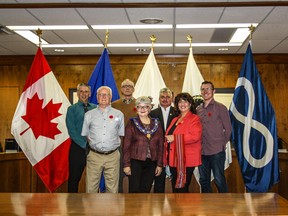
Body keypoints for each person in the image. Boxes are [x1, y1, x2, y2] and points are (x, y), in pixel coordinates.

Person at [81, 86, 125, 193]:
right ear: (96, 97)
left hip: (113, 157)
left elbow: (120, 134)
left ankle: (111, 210)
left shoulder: (119, 114)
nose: (103, 97)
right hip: (94, 156)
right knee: (91, 189)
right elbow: (86, 134)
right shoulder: (88, 115)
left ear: (111, 97)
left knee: (113, 190)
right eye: (100, 94)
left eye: (106, 95)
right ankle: (91, 210)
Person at [197, 81, 232, 193]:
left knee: (219, 179)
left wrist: (222, 143)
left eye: (208, 89)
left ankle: (224, 205)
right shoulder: (198, 109)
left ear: (213, 91)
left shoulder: (221, 108)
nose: (205, 91)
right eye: (203, 89)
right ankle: (207, 206)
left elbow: (228, 129)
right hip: (202, 151)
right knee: (203, 180)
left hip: (216, 151)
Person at [123, 96, 164, 193]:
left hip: (151, 163)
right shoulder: (132, 123)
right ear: (136, 108)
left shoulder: (157, 123)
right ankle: (133, 209)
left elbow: (160, 146)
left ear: (150, 108)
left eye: (145, 106)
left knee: (146, 190)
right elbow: (126, 145)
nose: (142, 109)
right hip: (135, 162)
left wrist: (159, 164)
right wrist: (126, 164)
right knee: (134, 190)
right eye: (139, 107)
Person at [165, 92, 202, 193]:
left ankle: (185, 209)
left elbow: (195, 136)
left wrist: (175, 138)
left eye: (185, 102)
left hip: (186, 159)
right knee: (175, 188)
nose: (182, 104)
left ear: (190, 104)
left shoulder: (194, 118)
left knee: (182, 188)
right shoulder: (175, 119)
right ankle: (176, 209)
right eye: (180, 102)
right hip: (173, 159)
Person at [66, 83, 96, 193]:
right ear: (78, 93)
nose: (84, 94)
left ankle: (92, 204)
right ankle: (71, 204)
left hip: (94, 148)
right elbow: (72, 130)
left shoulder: (95, 108)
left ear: (90, 94)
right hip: (78, 147)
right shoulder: (72, 109)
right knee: (74, 178)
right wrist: (84, 144)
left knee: (94, 179)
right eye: (81, 91)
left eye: (86, 91)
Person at [150, 87, 177, 193]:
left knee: (175, 179)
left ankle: (177, 205)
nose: (165, 99)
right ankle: (158, 205)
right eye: (162, 97)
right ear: (159, 98)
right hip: (158, 151)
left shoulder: (178, 112)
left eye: (168, 97)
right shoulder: (152, 113)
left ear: (172, 98)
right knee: (159, 180)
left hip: (174, 150)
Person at [112, 78, 137, 193]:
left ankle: (134, 201)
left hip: (135, 145)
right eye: (125, 86)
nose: (127, 88)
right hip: (118, 144)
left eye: (130, 86)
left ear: (133, 89)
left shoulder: (139, 104)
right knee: (118, 174)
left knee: (134, 173)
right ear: (121, 89)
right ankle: (118, 200)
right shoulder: (114, 105)